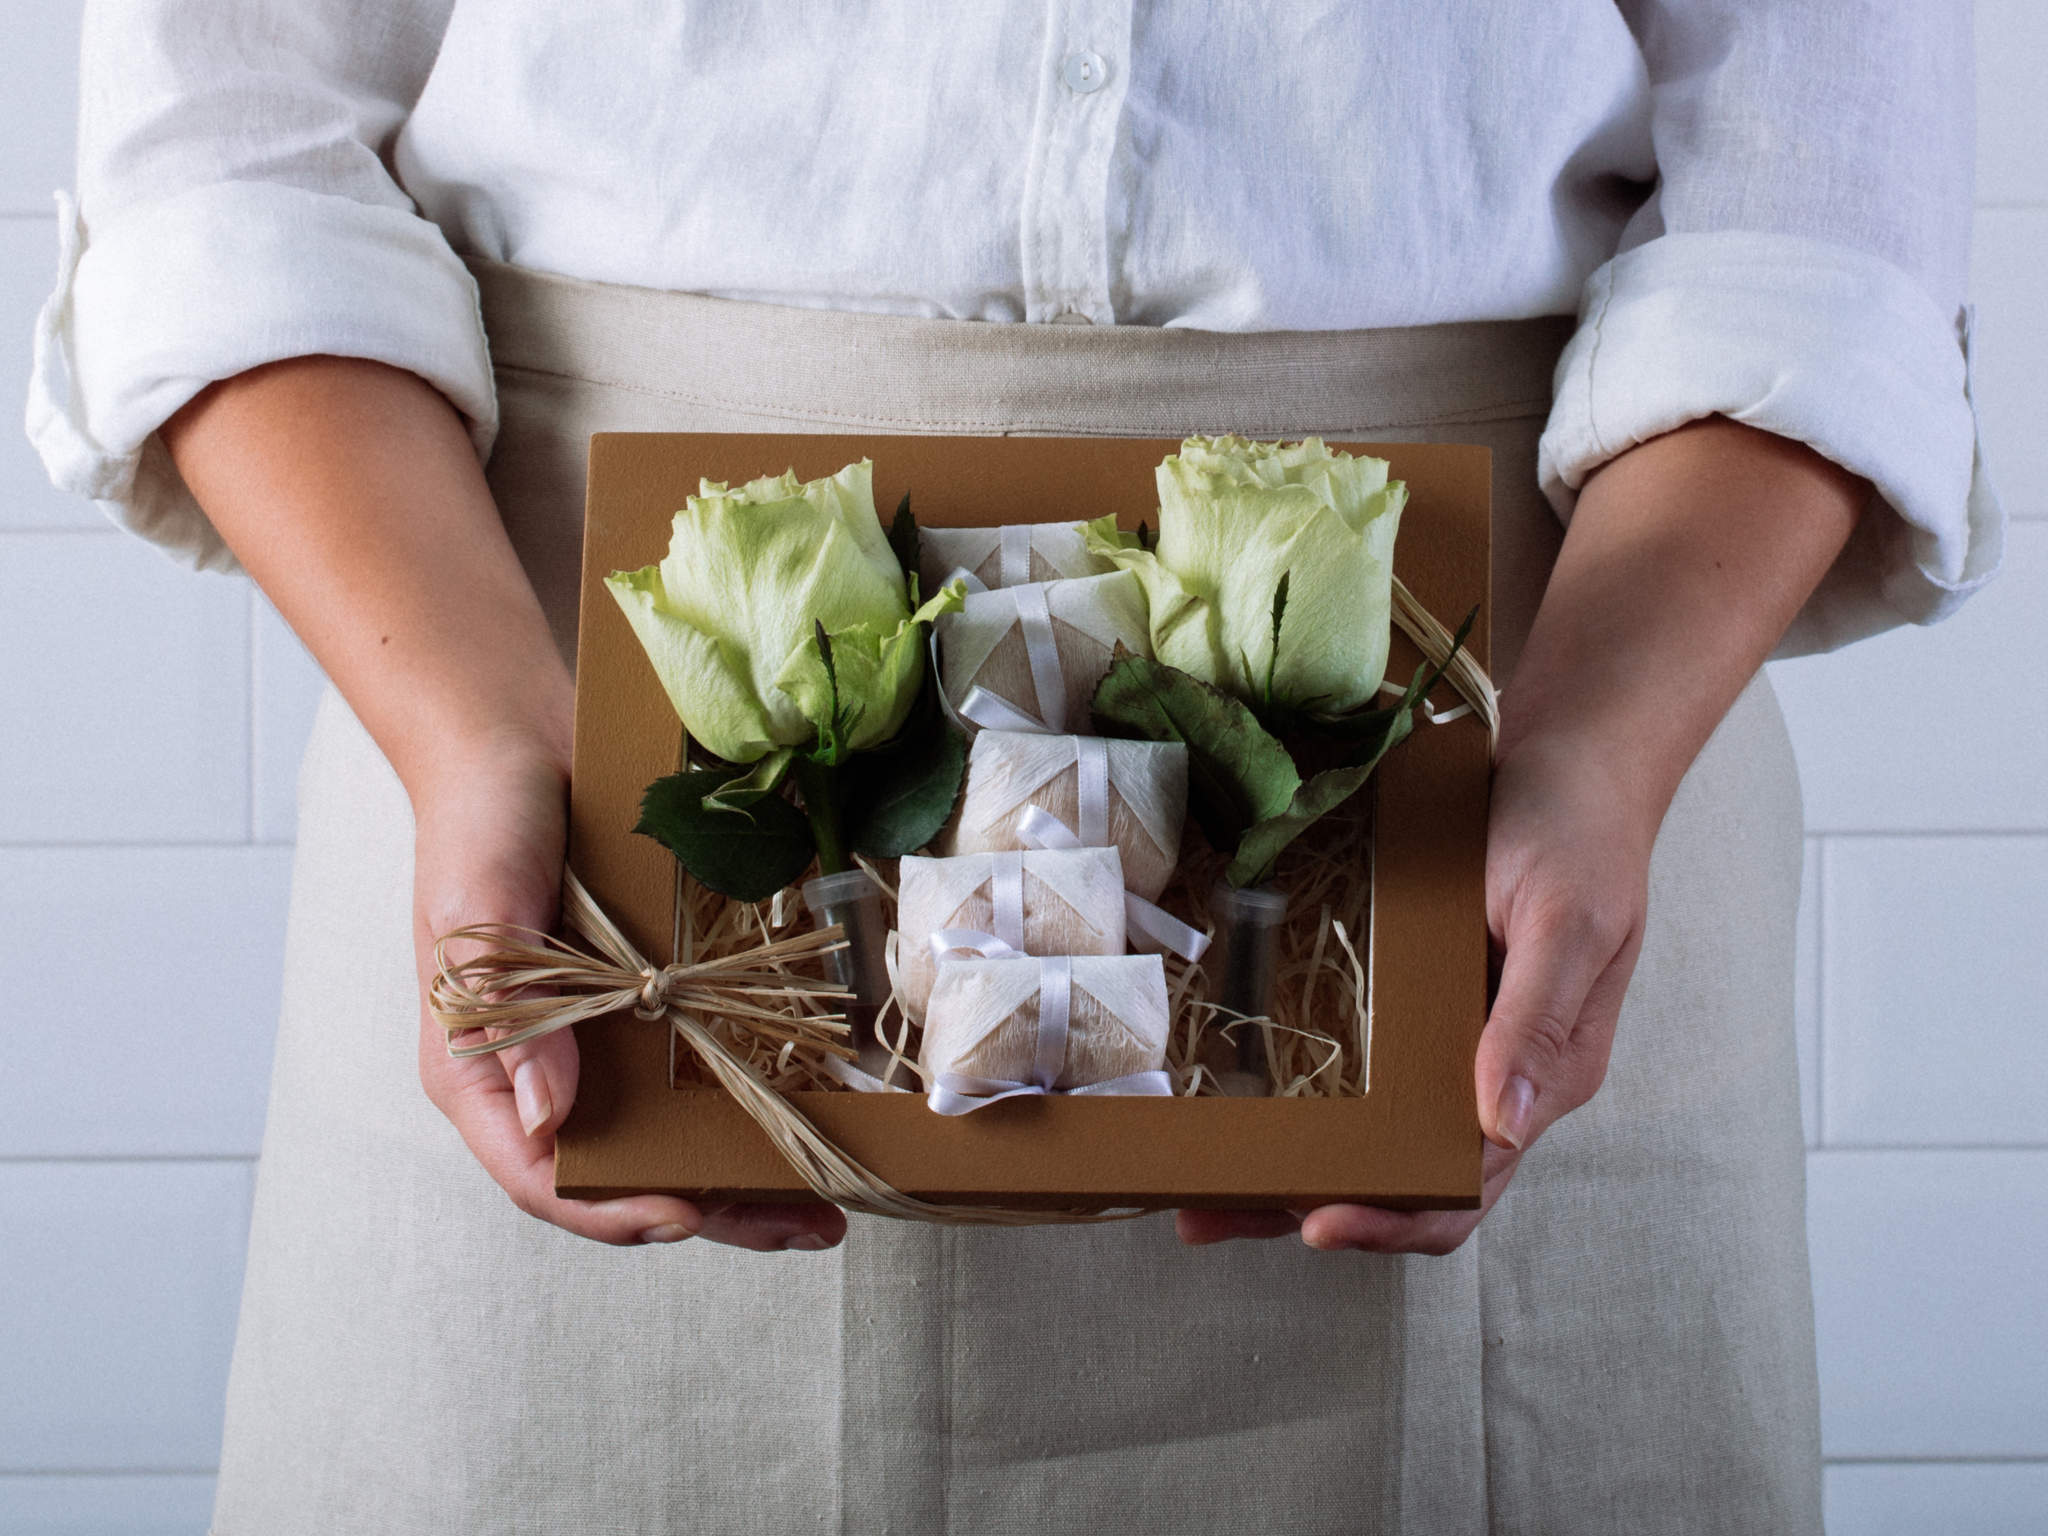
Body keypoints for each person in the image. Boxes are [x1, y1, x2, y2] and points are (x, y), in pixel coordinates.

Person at [29, 3, 1997, 1532]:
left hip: (1504, 762)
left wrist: (1593, 744)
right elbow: (234, 149)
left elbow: (1816, 200)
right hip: (558, 733)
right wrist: (472, 731)